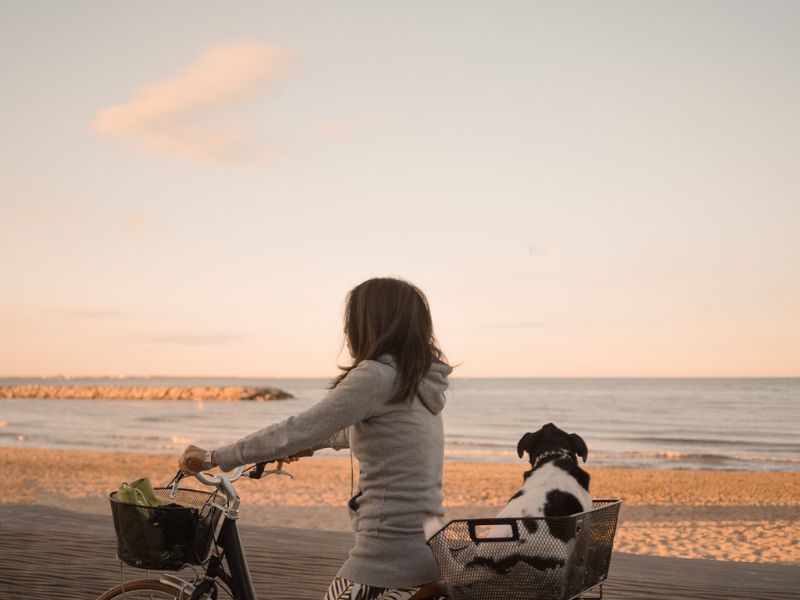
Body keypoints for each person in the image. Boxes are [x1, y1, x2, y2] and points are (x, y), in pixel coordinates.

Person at [179, 277, 453, 600]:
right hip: (429, 552)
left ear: (371, 324)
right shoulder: (417, 382)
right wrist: (314, 445)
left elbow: (295, 429)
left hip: (385, 561)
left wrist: (213, 457)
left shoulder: (375, 376)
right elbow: (380, 434)